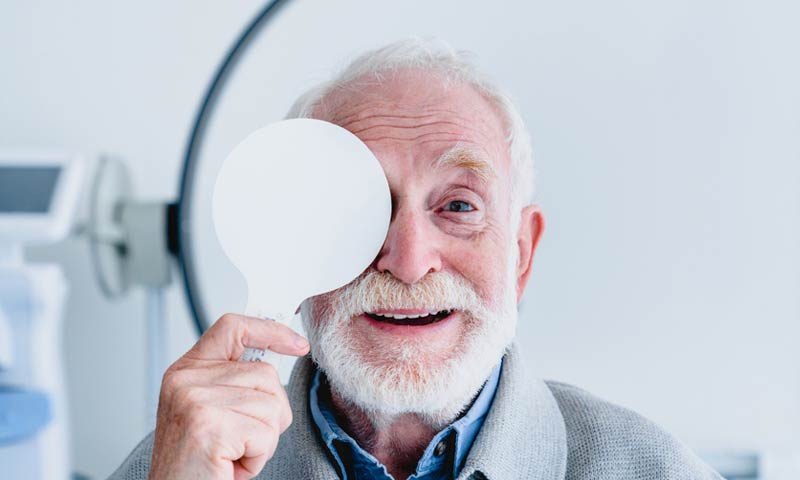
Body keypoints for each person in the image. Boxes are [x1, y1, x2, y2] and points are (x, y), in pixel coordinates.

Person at [109, 38, 722, 480]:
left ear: (521, 254)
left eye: (458, 206)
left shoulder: (656, 469)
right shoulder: (177, 465)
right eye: (361, 210)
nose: (407, 261)